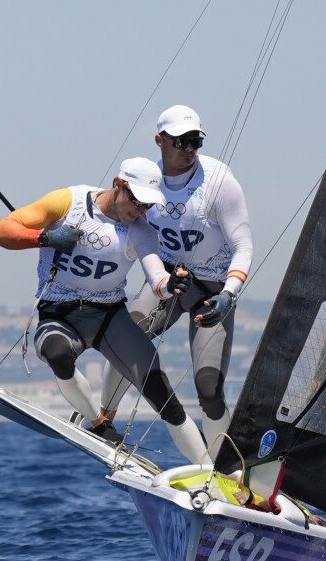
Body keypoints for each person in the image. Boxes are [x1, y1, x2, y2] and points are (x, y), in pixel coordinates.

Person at [0, 158, 209, 464]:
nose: (141, 211)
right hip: (59, 314)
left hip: (109, 318)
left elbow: (156, 276)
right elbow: (0, 231)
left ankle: (211, 471)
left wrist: (170, 285)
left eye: (148, 206)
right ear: (119, 185)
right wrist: (46, 237)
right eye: (137, 202)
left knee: (162, 393)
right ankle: (98, 424)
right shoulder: (67, 202)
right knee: (56, 354)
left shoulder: (142, 231)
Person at [96, 105, 253, 454]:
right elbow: (113, 214)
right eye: (181, 142)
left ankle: (223, 466)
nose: (189, 149)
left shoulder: (218, 181)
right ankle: (102, 420)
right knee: (128, 335)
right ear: (160, 140)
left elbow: (244, 245)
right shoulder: (146, 181)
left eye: (195, 140)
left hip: (213, 292)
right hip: (170, 281)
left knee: (209, 389)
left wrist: (229, 293)